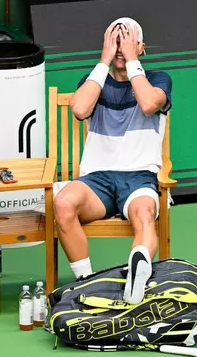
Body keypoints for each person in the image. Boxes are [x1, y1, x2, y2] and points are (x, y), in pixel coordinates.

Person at [53, 17, 172, 305]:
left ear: (141, 47)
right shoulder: (94, 80)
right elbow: (80, 109)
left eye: (128, 40)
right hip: (98, 181)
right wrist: (104, 61)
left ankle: (137, 272)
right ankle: (86, 282)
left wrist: (132, 61)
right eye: (115, 40)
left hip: (140, 176)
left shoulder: (158, 79)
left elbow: (147, 104)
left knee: (144, 215)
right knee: (63, 203)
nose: (121, 47)